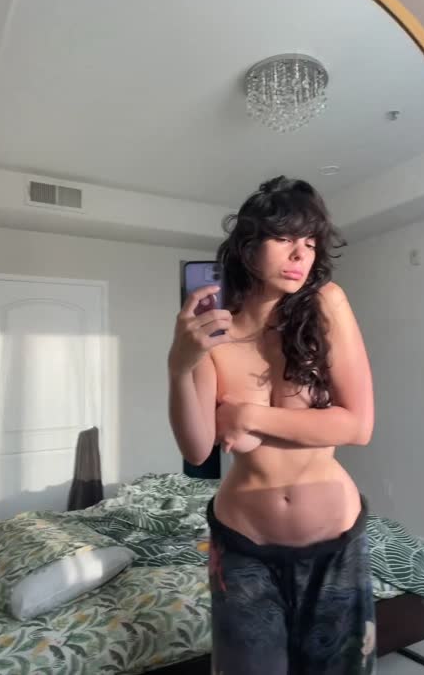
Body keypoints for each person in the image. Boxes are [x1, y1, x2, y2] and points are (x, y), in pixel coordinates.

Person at [168, 176, 375, 675]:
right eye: (285, 238)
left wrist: (248, 416)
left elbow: (357, 425)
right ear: (248, 246)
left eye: (310, 242)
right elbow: (197, 449)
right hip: (244, 547)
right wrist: (179, 365)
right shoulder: (214, 328)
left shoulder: (326, 303)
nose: (301, 254)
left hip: (337, 542)